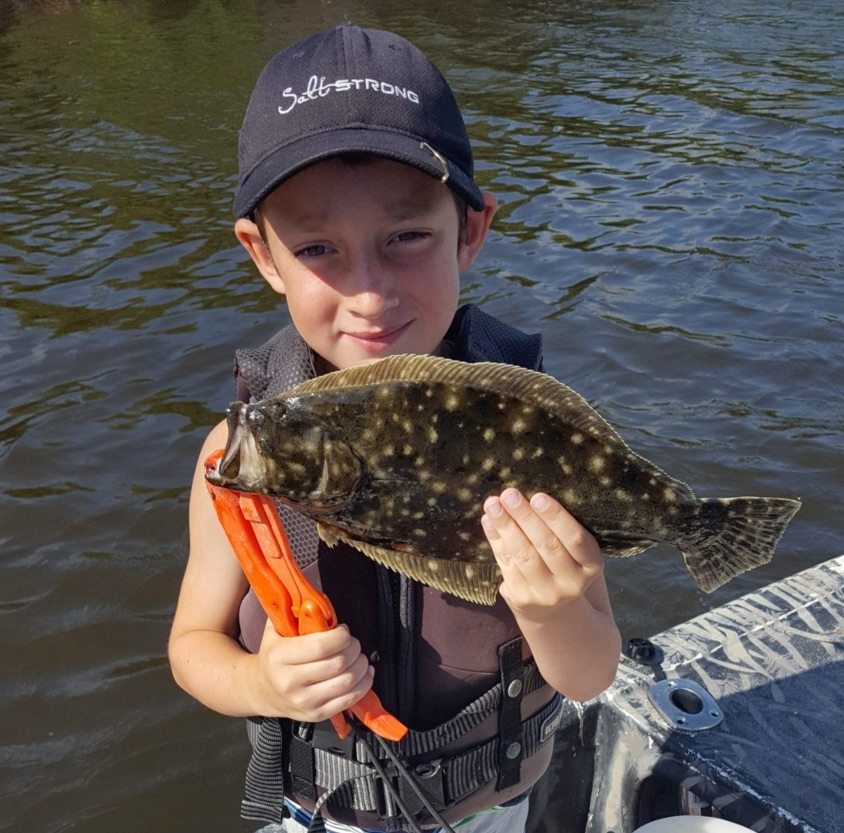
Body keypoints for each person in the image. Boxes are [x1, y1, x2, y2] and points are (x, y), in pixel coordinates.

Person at [168, 24, 621, 833]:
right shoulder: (238, 457)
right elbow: (193, 643)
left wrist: (554, 612)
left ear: (470, 231)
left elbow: (590, 672)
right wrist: (265, 682)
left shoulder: (525, 434)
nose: (368, 293)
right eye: (318, 247)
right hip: (326, 810)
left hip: (491, 804)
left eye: (407, 236)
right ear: (262, 255)